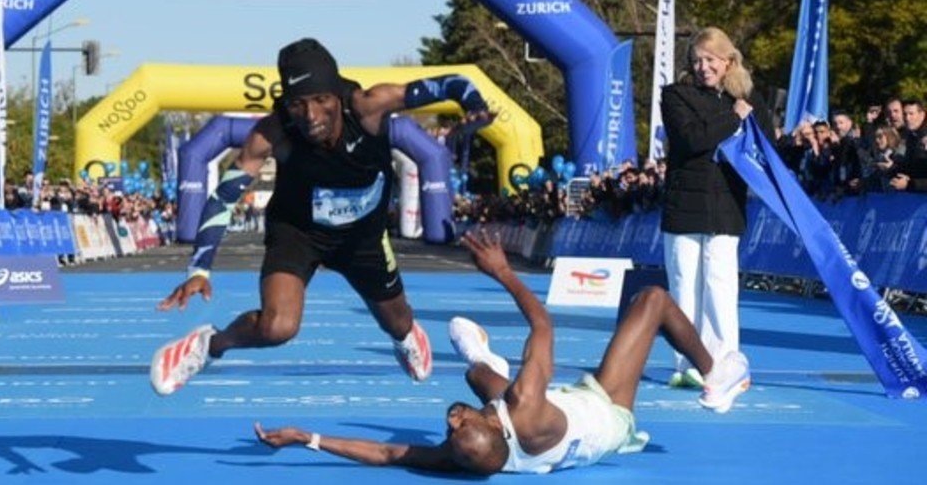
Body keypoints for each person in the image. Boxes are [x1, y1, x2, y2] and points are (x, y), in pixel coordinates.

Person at [150, 37, 493, 395]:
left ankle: (405, 336)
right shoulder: (272, 133)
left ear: (337, 95)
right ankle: (207, 345)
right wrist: (199, 270)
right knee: (277, 327)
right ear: (286, 103)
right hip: (298, 232)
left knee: (398, 321)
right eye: (298, 104)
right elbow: (224, 197)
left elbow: (454, 83)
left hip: (363, 236)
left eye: (321, 100)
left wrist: (475, 106)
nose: (311, 116)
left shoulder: (369, 106)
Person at [253, 231, 750, 475]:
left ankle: (485, 361)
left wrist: (306, 438)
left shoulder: (468, 455)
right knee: (654, 300)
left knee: (477, 379)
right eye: (462, 424)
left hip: (559, 434)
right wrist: (502, 272)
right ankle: (718, 372)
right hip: (605, 411)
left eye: (453, 429)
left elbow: (385, 454)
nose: (451, 421)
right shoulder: (525, 405)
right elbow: (543, 324)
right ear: (494, 424)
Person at [659, 26, 770, 389]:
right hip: (684, 205)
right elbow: (692, 138)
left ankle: (725, 362)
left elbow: (768, 144)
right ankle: (687, 363)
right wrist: (733, 116)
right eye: (696, 61)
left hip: (727, 205)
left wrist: (747, 109)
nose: (703, 67)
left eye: (711, 60)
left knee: (721, 286)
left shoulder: (746, 97)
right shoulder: (675, 95)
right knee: (684, 286)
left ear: (728, 61)